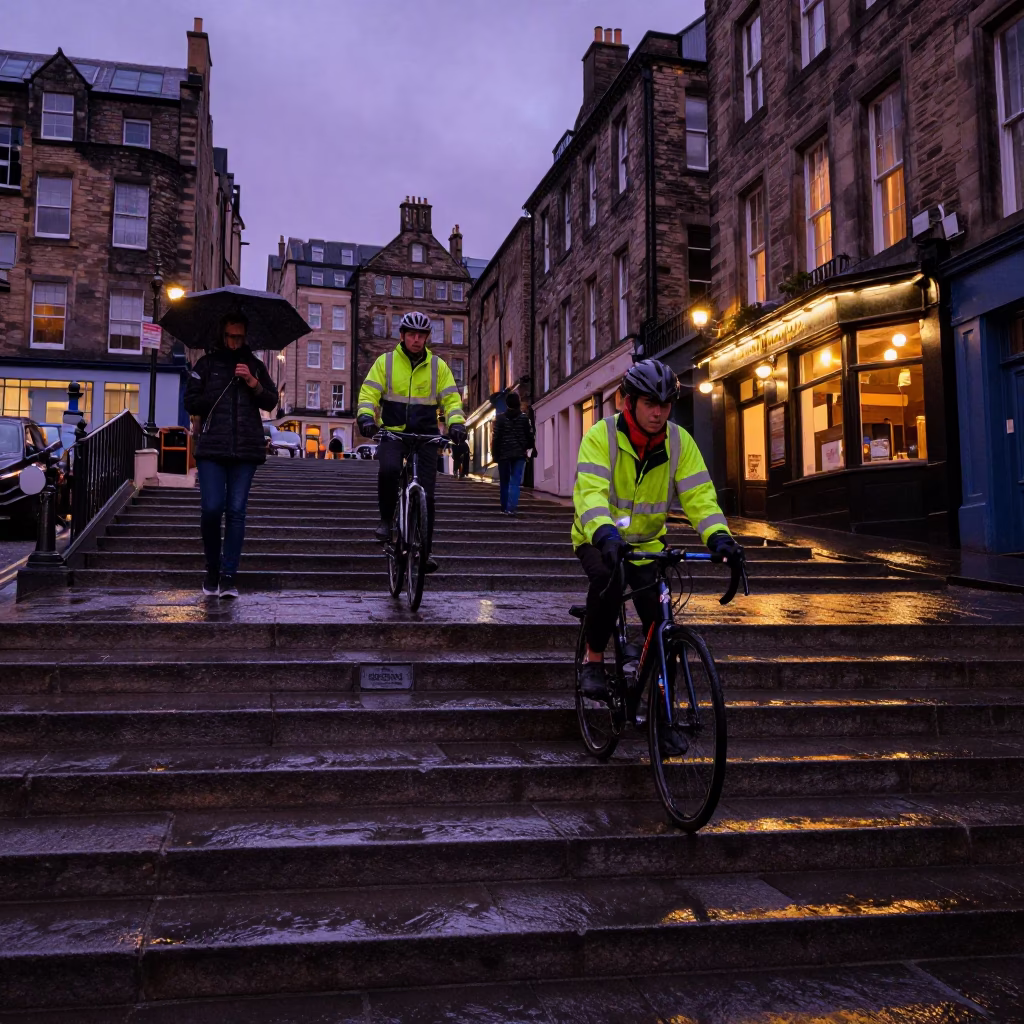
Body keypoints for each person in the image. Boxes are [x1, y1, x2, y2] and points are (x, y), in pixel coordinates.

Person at [571, 358, 745, 704]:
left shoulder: (680, 442)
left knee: (662, 624)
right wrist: (605, 535)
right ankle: (593, 659)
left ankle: (662, 716)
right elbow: (589, 494)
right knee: (609, 578)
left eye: (664, 405)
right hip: (597, 537)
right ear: (628, 402)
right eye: (650, 403)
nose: (658, 413)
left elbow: (700, 497)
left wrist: (719, 537)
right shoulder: (600, 436)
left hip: (647, 543)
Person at [356, 310, 467, 573]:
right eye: (412, 334)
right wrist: (365, 417)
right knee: (390, 470)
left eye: (422, 335)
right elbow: (369, 392)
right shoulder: (386, 363)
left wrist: (456, 424)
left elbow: (451, 400)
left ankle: (424, 551)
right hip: (393, 433)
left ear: (427, 338)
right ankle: (385, 520)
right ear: (403, 336)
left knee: (427, 493)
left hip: (426, 436)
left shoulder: (438, 367)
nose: (417, 339)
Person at [184, 312, 279, 598]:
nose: (235, 342)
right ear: (222, 335)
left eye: (239, 337)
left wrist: (253, 382)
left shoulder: (256, 366)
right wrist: (213, 395)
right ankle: (211, 568)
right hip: (212, 446)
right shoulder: (206, 364)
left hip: (246, 449)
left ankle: (228, 576)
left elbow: (271, 400)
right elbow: (190, 400)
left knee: (236, 512)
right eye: (230, 336)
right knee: (212, 508)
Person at [492, 390, 534, 515]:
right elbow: (530, 436)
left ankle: (504, 507)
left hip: (503, 454)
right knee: (515, 482)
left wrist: (495, 454)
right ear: (518, 403)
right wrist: (528, 447)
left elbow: (496, 438)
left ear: (507, 404)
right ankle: (511, 508)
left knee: (504, 482)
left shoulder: (500, 419)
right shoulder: (524, 419)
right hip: (519, 454)